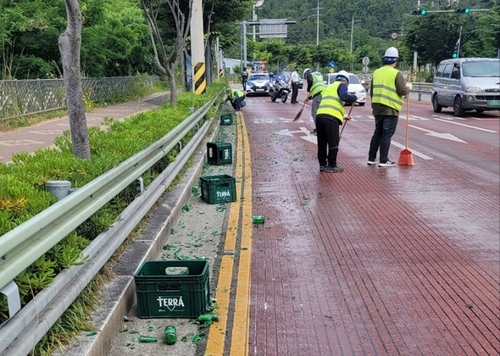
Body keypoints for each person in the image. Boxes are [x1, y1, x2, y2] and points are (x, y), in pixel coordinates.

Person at [368, 47, 411, 167]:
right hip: (390, 109)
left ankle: (371, 158)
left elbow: (372, 91)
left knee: (377, 132)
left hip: (377, 108)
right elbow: (402, 91)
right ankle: (383, 160)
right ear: (396, 60)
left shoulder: (376, 72)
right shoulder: (396, 73)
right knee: (386, 134)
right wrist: (409, 88)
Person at [315, 70, 357, 173]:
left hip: (320, 117)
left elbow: (332, 103)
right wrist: (354, 97)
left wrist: (343, 116)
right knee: (333, 143)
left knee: (322, 143)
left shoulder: (329, 87)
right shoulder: (342, 85)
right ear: (346, 80)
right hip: (330, 119)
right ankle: (332, 165)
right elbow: (344, 96)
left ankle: (323, 165)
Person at [303, 68, 326, 134]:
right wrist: (309, 98)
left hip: (318, 95)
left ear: (306, 74)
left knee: (314, 113)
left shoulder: (310, 75)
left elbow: (310, 81)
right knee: (321, 112)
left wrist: (308, 88)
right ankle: (323, 128)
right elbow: (316, 90)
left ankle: (319, 130)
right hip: (323, 94)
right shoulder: (318, 76)